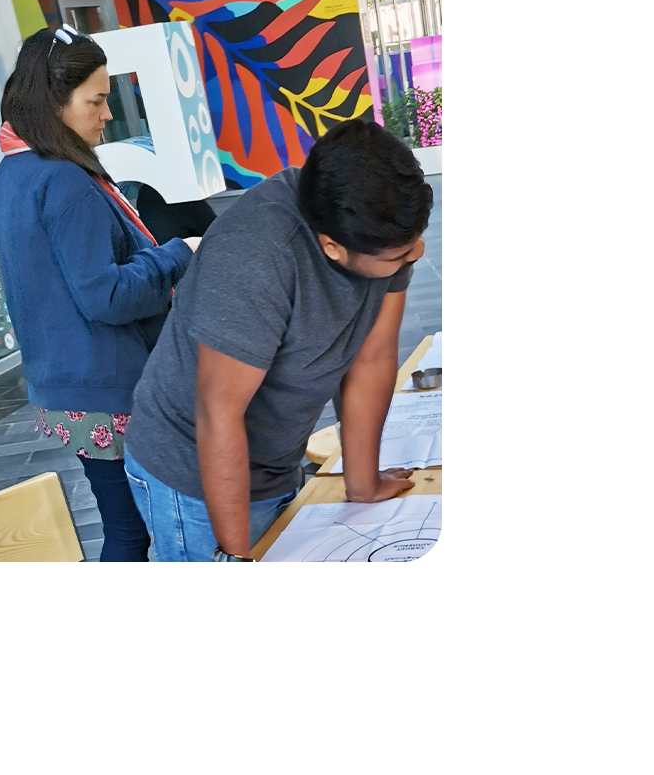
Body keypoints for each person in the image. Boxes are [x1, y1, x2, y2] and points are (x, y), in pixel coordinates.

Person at [122, 118, 433, 561]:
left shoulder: (378, 223)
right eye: (401, 254)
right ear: (331, 247)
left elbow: (372, 357)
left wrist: (363, 484)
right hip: (192, 473)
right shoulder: (256, 255)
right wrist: (235, 558)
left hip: (273, 462)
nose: (416, 253)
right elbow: (219, 414)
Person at [0, 24, 200, 561]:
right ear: (55, 100)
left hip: (68, 385)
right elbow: (105, 296)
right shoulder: (64, 179)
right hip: (105, 391)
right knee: (136, 532)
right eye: (97, 100)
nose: (107, 115)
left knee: (126, 528)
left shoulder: (15, 170)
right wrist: (178, 253)